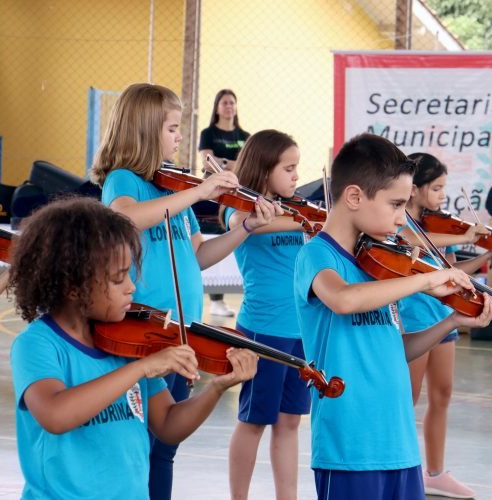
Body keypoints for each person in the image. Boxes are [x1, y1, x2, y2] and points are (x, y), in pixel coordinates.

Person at [90, 82, 278, 500]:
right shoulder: (125, 181)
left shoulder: (173, 191)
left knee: (166, 448)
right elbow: (124, 218)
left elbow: (200, 255)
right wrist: (201, 191)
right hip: (141, 335)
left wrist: (247, 227)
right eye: (173, 128)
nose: (180, 137)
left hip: (181, 333)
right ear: (144, 130)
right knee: (140, 445)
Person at [7, 197, 258, 499]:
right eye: (117, 279)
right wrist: (140, 368)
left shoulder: (130, 341)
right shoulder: (37, 344)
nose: (131, 287)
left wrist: (217, 388)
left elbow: (168, 425)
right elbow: (56, 415)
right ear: (73, 286)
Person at [293, 133, 492, 500]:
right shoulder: (317, 256)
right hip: (350, 449)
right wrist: (425, 279)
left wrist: (450, 322)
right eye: (395, 204)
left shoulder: (381, 266)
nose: (402, 218)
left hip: (400, 444)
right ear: (354, 196)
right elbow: (343, 299)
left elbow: (394, 348)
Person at [397, 152, 492, 499]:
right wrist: (465, 234)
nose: (443, 196)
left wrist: (485, 257)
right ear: (414, 189)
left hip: (443, 316)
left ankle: (436, 472)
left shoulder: (442, 229)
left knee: (442, 394)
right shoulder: (400, 223)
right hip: (413, 319)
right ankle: (403, 466)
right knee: (407, 399)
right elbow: (412, 243)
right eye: (437, 188)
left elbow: (455, 272)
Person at [222, 130, 310, 500]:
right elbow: (239, 223)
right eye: (288, 169)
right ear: (263, 168)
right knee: (254, 420)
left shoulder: (296, 210)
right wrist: (304, 220)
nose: (295, 177)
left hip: (302, 329)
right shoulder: (241, 208)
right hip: (264, 330)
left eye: (297, 169)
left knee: (290, 421)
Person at [199, 89, 251, 317]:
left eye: (232, 102)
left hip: (237, 191)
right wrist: (234, 164)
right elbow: (208, 163)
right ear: (217, 107)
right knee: (213, 238)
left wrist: (226, 163)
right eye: (225, 102)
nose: (229, 106)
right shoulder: (208, 133)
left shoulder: (245, 135)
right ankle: (215, 298)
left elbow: (248, 166)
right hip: (213, 191)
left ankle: (226, 296)